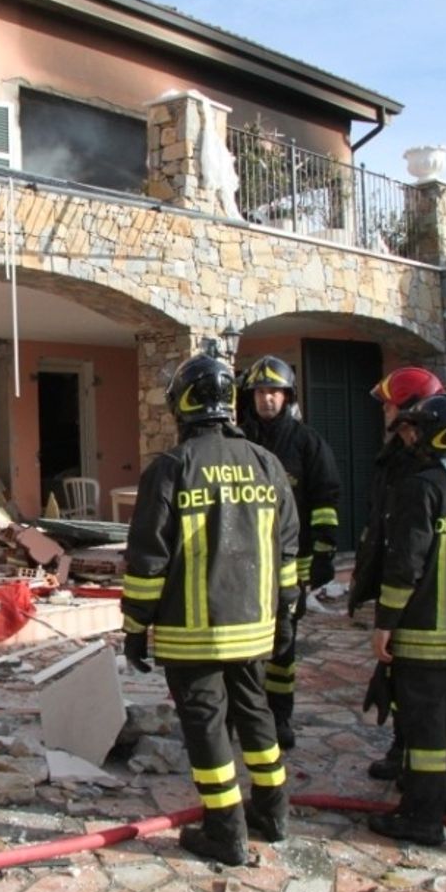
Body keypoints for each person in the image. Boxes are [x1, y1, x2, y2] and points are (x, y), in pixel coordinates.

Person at [121, 353, 299, 865]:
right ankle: (272, 813)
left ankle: (225, 831)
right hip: (256, 628)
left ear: (184, 404)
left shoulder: (173, 469)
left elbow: (147, 561)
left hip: (192, 634)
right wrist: (284, 618)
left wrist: (136, 627)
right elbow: (288, 552)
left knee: (208, 729)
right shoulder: (267, 464)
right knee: (257, 716)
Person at [366, 393, 446, 846]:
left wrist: (385, 622)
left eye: (417, 429)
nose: (412, 437)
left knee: (424, 733)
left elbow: (406, 565)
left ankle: (420, 816)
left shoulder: (421, 487)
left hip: (423, 636)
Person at [239, 355, 341, 750]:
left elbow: (326, 498)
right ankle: (247, 714)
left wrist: (324, 553)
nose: (267, 399)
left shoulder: (307, 442)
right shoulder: (238, 441)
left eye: (275, 392)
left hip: (289, 566)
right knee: (244, 644)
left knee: (284, 644)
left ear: (287, 396)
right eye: (261, 392)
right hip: (245, 561)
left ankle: (280, 717)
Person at [348, 365, 444, 781]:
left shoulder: (425, 469)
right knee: (396, 675)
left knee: (412, 682)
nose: (383, 410)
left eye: (389, 403)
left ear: (406, 408)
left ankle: (415, 769)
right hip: (398, 580)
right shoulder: (397, 457)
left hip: (417, 593)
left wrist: (388, 615)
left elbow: (411, 545)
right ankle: (402, 750)